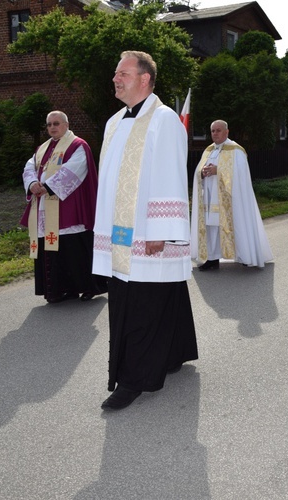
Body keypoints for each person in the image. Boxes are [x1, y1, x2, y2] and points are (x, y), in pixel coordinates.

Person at [93, 51, 198, 411]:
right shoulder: (113, 122)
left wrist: (161, 229)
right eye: (115, 74)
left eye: (122, 73)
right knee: (156, 296)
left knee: (141, 305)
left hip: (148, 231)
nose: (115, 79)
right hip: (120, 231)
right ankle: (175, 352)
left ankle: (134, 379)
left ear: (144, 79)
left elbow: (171, 172)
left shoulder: (164, 119)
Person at [20, 111, 106, 303]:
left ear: (66, 125)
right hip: (46, 205)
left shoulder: (77, 145)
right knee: (53, 251)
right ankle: (62, 289)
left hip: (69, 206)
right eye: (49, 124)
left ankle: (88, 287)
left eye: (56, 123)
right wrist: (33, 183)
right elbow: (29, 168)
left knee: (74, 249)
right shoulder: (42, 149)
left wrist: (47, 186)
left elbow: (74, 170)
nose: (52, 127)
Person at [190, 120, 273, 271]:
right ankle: (212, 258)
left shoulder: (236, 150)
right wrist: (201, 172)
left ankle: (245, 256)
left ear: (227, 132)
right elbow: (198, 170)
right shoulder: (209, 150)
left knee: (238, 225)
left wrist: (218, 171)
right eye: (213, 131)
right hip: (210, 199)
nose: (215, 133)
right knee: (211, 228)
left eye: (218, 130)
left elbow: (241, 174)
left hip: (231, 199)